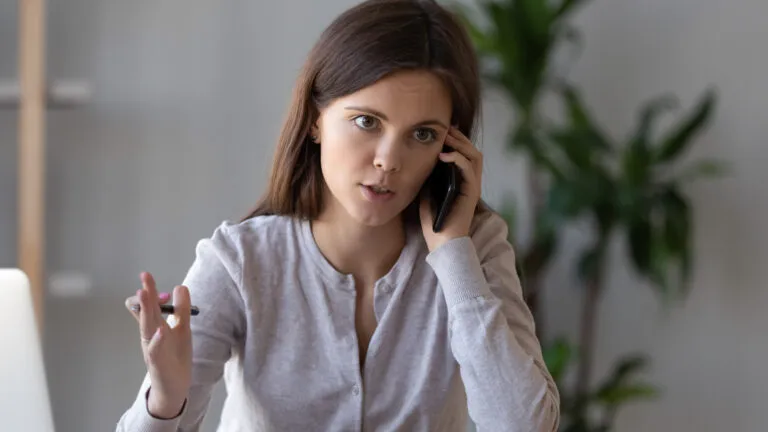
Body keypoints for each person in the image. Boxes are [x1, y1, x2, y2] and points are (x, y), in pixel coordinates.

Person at [116, 0, 560, 430]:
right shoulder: (239, 261)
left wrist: (455, 258)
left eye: (422, 134)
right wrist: (166, 402)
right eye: (367, 122)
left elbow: (524, 425)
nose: (389, 160)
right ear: (315, 118)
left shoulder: (474, 248)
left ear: (451, 147)